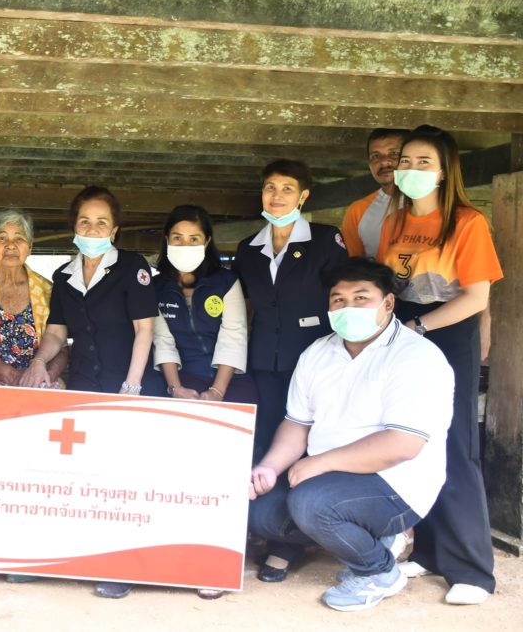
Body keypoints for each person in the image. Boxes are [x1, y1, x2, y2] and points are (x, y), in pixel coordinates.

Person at [248, 257, 453, 612]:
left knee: (311, 504)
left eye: (361, 298)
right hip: (330, 480)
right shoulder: (317, 353)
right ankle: (371, 537)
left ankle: (379, 571)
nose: (348, 308)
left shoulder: (416, 356)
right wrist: (268, 468)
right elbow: (297, 424)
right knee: (260, 511)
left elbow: (402, 445)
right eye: (338, 300)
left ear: (388, 303)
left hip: (395, 483)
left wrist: (319, 463)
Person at [377, 125, 503, 606]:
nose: (410, 169)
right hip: (404, 332)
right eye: (405, 161)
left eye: (423, 162)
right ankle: (429, 551)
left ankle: (472, 569)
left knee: (455, 444)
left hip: (446, 333)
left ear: (446, 170)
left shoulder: (468, 222)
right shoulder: (394, 220)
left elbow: (475, 297)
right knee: (414, 440)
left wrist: (420, 327)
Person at [20, 185, 157, 599]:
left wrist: (131, 386)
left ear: (114, 230)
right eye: (85, 222)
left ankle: (120, 565)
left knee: (124, 476)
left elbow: (144, 330)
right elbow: (56, 332)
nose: (92, 229)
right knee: (84, 474)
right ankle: (74, 555)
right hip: (83, 382)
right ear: (73, 228)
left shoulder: (132, 267)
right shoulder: (64, 275)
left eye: (101, 223)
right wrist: (39, 361)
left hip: (126, 382)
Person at [232, 160, 348, 461]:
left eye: (287, 189)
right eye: (270, 187)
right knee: (266, 430)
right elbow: (243, 305)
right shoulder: (247, 248)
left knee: (314, 432)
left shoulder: (325, 240)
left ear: (303, 196)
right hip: (263, 358)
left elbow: (342, 296)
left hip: (314, 354)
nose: (277, 195)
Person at [145, 204, 257, 406]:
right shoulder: (157, 288)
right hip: (183, 377)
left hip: (232, 380)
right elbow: (163, 341)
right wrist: (176, 388)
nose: (184, 246)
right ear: (167, 240)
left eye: (194, 239)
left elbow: (233, 337)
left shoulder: (226, 282)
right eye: (177, 238)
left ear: (206, 242)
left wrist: (217, 391)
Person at [0, 208, 67, 387]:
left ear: (30, 247)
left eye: (19, 238)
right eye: (1, 238)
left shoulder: (47, 289)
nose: (10, 245)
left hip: (36, 380)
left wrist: (45, 376)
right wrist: (12, 376)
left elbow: (62, 349)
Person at [340, 128, 410, 258]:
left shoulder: (433, 203)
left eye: (394, 153)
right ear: (369, 164)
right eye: (376, 156)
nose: (384, 161)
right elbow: (353, 265)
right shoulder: (358, 211)